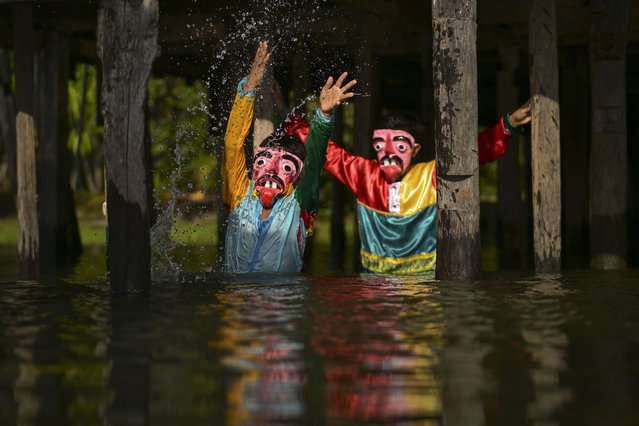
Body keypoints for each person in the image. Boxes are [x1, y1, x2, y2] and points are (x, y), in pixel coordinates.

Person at [280, 90, 531, 274]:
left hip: (424, 292)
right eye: (379, 146)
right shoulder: (363, 175)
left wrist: (508, 125)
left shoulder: (430, 176)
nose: (388, 153)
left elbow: (471, 155)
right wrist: (285, 113)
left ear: (416, 148)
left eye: (399, 145)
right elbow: (325, 150)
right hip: (375, 291)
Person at [222, 41, 356, 273]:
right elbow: (232, 145)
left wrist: (323, 115)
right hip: (238, 305)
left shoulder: (301, 204)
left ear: (297, 173)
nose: (271, 171)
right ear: (254, 164)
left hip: (281, 306)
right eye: (263, 162)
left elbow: (314, 162)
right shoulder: (238, 195)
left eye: (284, 167)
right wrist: (247, 90)